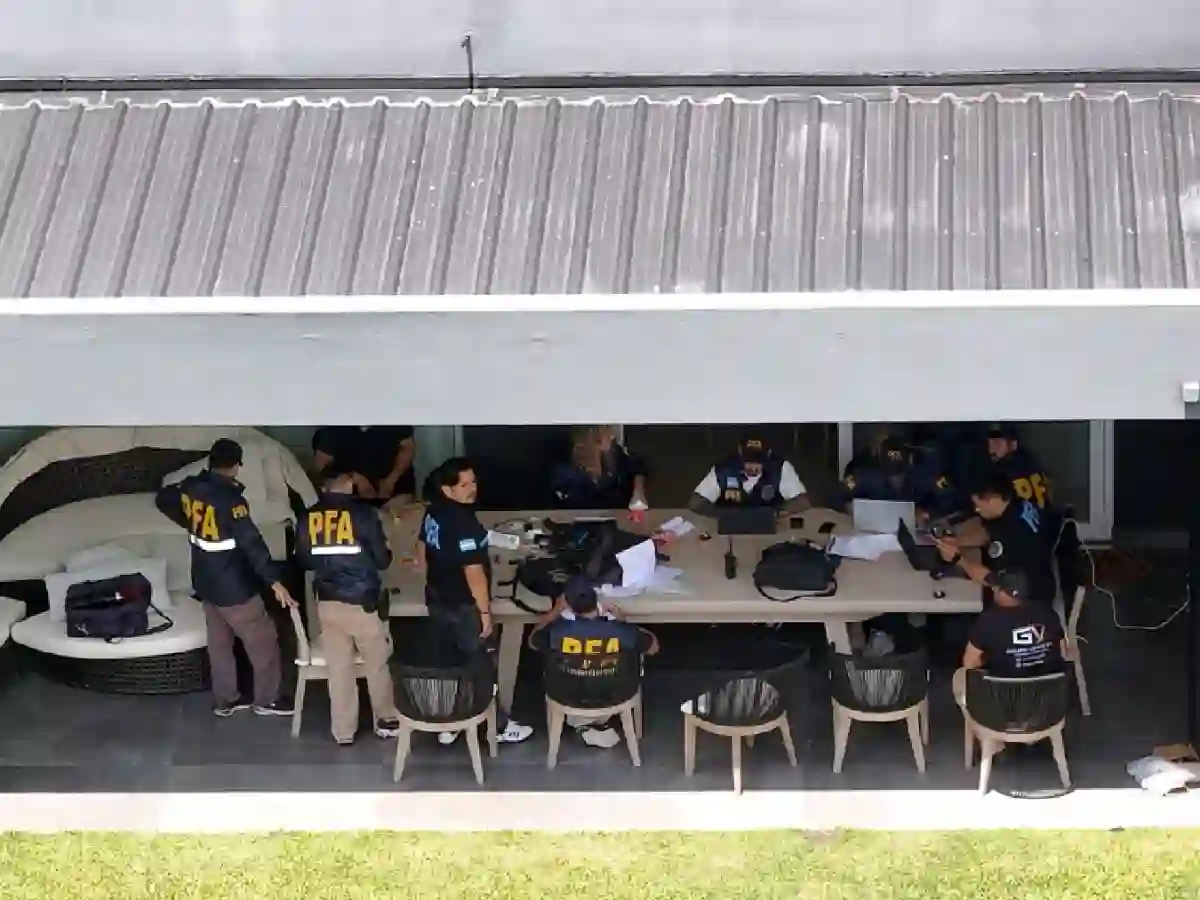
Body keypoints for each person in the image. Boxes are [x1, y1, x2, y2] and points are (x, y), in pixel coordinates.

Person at [154, 438, 296, 718]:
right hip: (234, 587)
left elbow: (163, 498)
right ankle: (268, 699)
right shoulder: (232, 501)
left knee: (219, 643)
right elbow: (252, 543)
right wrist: (275, 581)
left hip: (205, 582)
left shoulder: (191, 487)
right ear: (235, 466)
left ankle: (225, 699)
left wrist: (187, 520)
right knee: (263, 640)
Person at [418, 457, 533, 745]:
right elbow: (474, 573)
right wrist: (484, 613)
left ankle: (449, 723)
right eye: (464, 485)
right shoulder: (462, 522)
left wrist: (430, 571)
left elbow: (421, 547)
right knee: (480, 667)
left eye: (473, 482)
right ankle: (499, 727)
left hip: (437, 597)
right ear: (447, 489)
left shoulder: (434, 511)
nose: (472, 489)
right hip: (463, 605)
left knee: (449, 664)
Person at [295, 470, 400, 746]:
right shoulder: (363, 514)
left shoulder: (308, 516)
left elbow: (304, 560)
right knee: (378, 663)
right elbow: (382, 560)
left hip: (327, 601)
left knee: (339, 668)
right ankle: (386, 721)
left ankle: (343, 731)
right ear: (349, 483)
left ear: (324, 486)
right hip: (362, 602)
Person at [529, 575, 658, 749]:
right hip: (617, 695)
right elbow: (653, 647)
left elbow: (532, 642)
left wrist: (553, 613)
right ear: (596, 599)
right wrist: (624, 622)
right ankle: (595, 723)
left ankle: (583, 723)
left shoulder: (556, 632)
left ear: (567, 603)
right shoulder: (620, 631)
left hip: (567, 697)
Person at [933, 473, 1058, 607]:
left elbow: (993, 579)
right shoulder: (1016, 505)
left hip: (1029, 599)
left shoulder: (1013, 533)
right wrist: (958, 542)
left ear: (992, 500)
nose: (976, 510)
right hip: (1038, 577)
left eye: (978, 506)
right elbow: (988, 532)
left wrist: (958, 559)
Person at [834, 433, 957, 517]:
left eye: (899, 473)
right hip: (873, 530)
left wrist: (926, 513)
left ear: (910, 459)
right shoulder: (864, 471)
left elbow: (949, 500)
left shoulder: (927, 472)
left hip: (916, 532)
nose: (895, 479)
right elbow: (838, 495)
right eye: (890, 473)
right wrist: (851, 510)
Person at [687, 432, 811, 515]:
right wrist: (722, 515)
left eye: (759, 461)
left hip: (770, 528)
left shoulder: (780, 468)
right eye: (748, 460)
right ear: (740, 453)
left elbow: (802, 502)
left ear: (768, 455)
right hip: (730, 530)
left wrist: (775, 514)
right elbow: (695, 503)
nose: (753, 467)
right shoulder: (724, 469)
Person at [312, 426, 417, 507]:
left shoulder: (392, 414)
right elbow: (321, 468)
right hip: (351, 496)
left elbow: (408, 448)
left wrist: (391, 480)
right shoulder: (336, 423)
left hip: (393, 490)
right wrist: (353, 478)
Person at [551, 425, 649, 510]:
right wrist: (592, 474)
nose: (612, 436)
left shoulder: (616, 456)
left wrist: (638, 491)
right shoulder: (565, 472)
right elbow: (571, 504)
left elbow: (638, 466)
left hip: (618, 519)